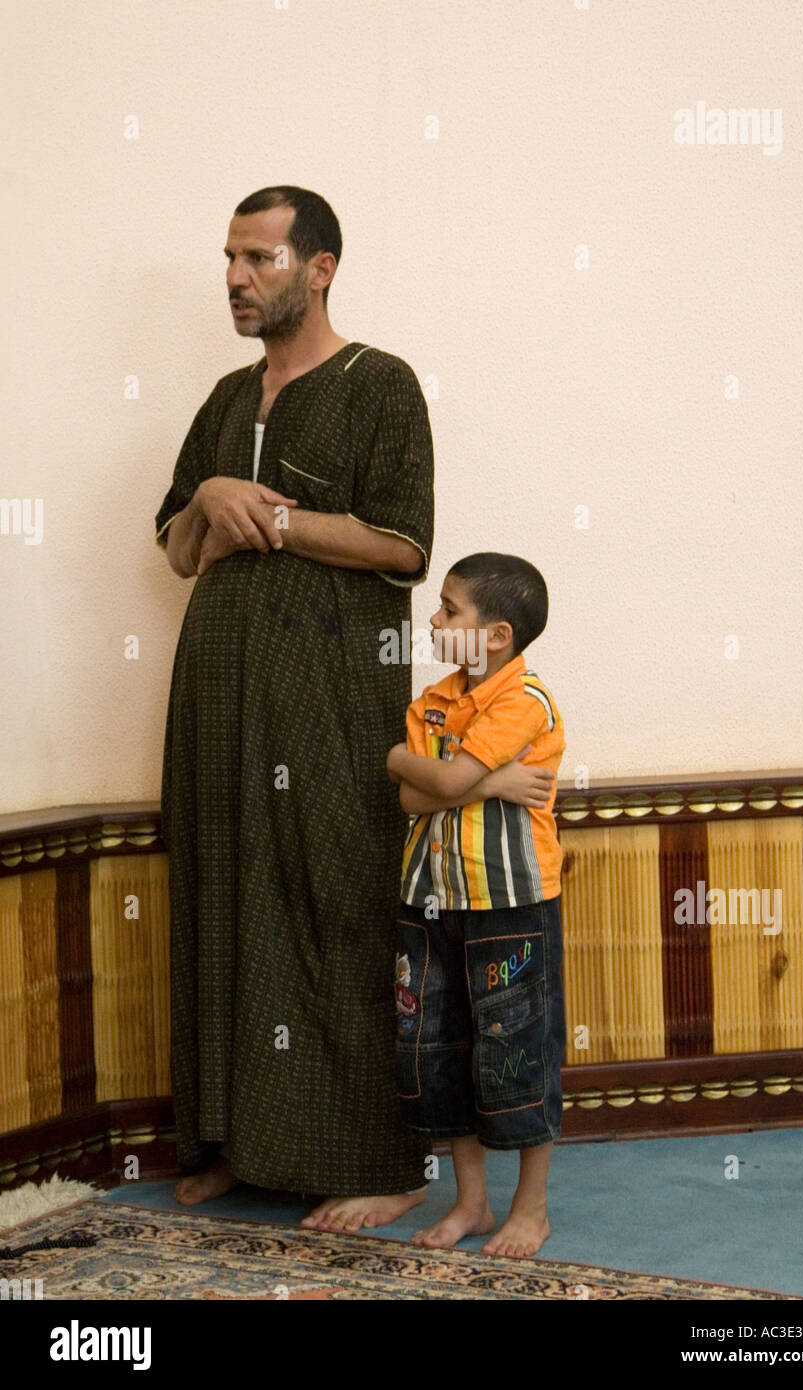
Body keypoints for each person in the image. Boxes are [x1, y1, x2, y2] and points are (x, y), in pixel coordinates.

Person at [154, 184, 437, 1230]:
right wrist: (204, 503)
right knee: (225, 886)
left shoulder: (380, 384)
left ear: (318, 268)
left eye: (259, 259)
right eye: (228, 258)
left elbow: (405, 547)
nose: (235, 278)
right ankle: (242, 1138)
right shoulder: (227, 399)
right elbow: (182, 550)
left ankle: (380, 1156)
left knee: (333, 894)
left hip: (328, 693)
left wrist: (266, 511)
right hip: (220, 693)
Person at [386, 553, 566, 1257]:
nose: (433, 619)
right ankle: (472, 1203)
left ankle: (533, 1208)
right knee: (440, 1046)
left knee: (516, 1049)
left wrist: (409, 762)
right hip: (429, 900)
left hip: (510, 905)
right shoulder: (432, 701)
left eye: (448, 609)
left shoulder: (526, 702)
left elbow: (444, 776)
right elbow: (412, 797)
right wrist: (488, 784)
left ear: (495, 634)